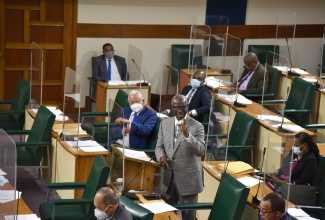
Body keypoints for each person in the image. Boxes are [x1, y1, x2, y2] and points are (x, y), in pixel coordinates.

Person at [155, 94, 205, 220]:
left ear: (187, 107)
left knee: (188, 216)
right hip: (168, 178)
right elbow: (159, 147)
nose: (179, 110)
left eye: (182, 107)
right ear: (172, 108)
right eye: (176, 108)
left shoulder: (197, 126)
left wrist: (187, 135)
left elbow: (200, 150)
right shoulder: (164, 125)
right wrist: (161, 156)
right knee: (167, 214)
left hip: (188, 180)